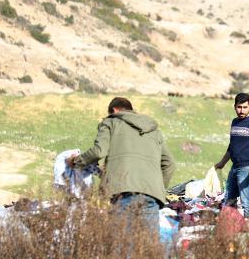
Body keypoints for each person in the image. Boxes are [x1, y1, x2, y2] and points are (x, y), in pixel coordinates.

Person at [67, 97, 176, 228]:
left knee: (122, 244)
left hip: (123, 193)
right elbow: (169, 164)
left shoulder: (111, 122)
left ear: (114, 110)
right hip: (151, 197)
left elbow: (99, 151)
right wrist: (156, 188)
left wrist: (75, 161)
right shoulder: (153, 130)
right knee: (146, 245)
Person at [215, 93, 249, 218]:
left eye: (245, 107)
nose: (241, 110)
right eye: (239, 107)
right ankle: (231, 227)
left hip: (248, 168)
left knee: (246, 202)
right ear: (234, 107)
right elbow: (232, 146)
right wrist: (222, 163)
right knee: (229, 200)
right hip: (235, 167)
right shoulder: (235, 122)